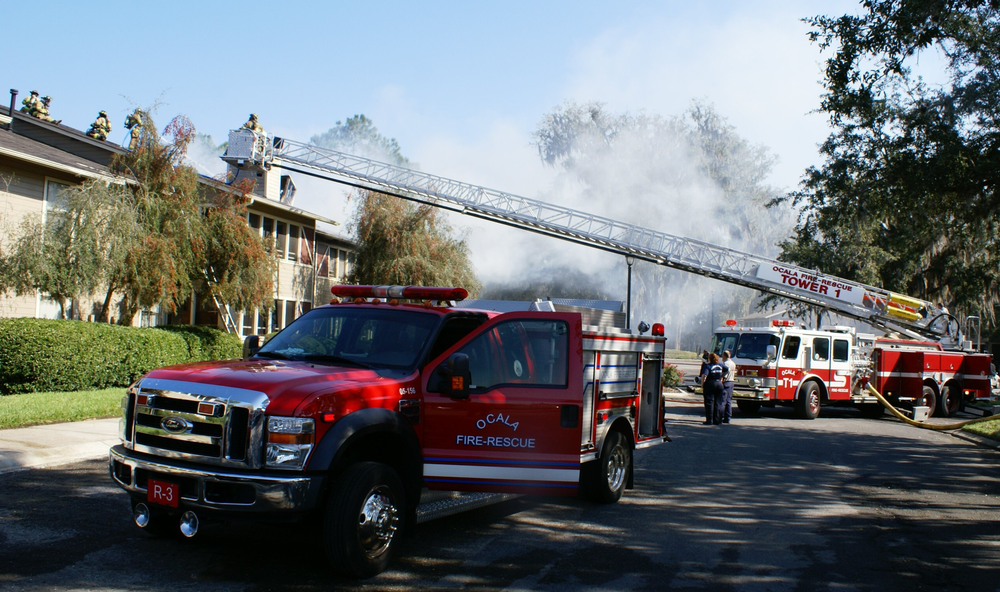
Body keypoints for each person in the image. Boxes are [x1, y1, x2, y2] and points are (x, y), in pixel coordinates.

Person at [699, 352, 725, 425]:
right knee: (718, 402)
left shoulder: (708, 366)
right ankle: (717, 420)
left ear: (709, 359)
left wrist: (702, 384)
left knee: (709, 402)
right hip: (719, 384)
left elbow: (704, 375)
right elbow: (727, 369)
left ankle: (709, 420)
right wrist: (722, 377)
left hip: (710, 383)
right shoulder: (720, 365)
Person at [721, 350, 737, 423]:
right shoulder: (733, 363)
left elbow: (725, 373)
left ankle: (720, 416)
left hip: (726, 382)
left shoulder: (725, 364)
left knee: (722, 400)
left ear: (724, 356)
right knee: (728, 401)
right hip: (731, 382)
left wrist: (721, 378)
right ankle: (728, 417)